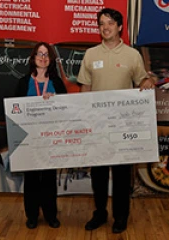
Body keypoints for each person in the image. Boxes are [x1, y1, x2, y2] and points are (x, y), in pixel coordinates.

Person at [77, 8, 155, 234]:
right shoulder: (91, 54)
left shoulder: (132, 55)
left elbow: (143, 80)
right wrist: (84, 120)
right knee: (99, 175)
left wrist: (147, 82)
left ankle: (121, 217)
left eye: (110, 23)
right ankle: (99, 212)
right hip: (98, 126)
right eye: (102, 23)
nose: (106, 27)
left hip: (123, 127)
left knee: (122, 175)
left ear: (120, 27)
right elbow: (85, 87)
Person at [15, 42, 67, 229]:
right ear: (33, 57)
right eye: (39, 53)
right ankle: (32, 215)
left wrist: (54, 102)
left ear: (51, 59)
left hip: (51, 138)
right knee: (31, 179)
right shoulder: (23, 83)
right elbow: (15, 112)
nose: (43, 57)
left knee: (48, 179)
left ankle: (51, 215)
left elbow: (66, 111)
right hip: (29, 140)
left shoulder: (58, 83)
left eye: (46, 54)